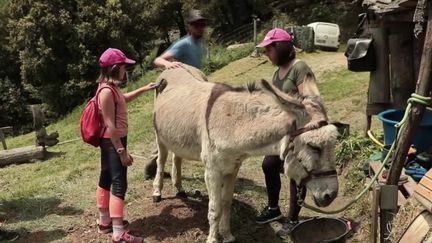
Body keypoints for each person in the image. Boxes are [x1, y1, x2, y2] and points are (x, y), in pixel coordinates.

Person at [254, 28, 321, 238]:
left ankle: (293, 220)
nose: (266, 54)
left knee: (295, 176)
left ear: (280, 47)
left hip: (300, 131)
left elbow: (311, 101)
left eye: (269, 49)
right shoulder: (277, 73)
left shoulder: (300, 68)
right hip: (283, 132)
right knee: (269, 165)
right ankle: (274, 209)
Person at [95, 48, 156, 243]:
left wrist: (144, 89)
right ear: (114, 68)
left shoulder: (111, 88)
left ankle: (105, 222)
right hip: (113, 141)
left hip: (110, 142)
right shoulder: (105, 92)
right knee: (119, 184)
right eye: (123, 66)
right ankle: (119, 233)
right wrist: (121, 151)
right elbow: (110, 125)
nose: (125, 70)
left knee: (105, 178)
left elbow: (122, 100)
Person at [143, 9, 208, 180]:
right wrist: (166, 64)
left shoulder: (200, 44)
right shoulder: (184, 44)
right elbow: (158, 60)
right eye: (196, 24)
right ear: (189, 27)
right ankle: (155, 161)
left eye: (202, 24)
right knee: (175, 126)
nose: (200, 28)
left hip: (196, 87)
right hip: (183, 91)